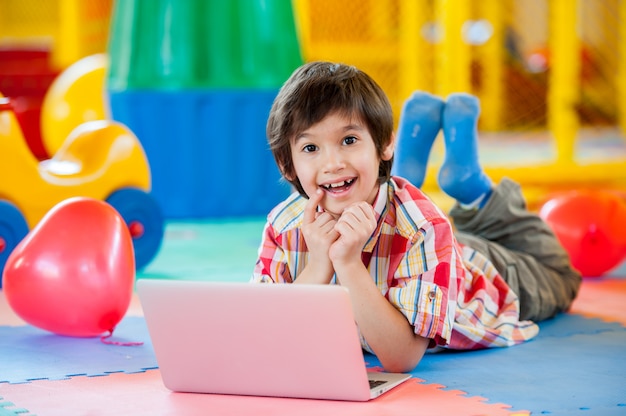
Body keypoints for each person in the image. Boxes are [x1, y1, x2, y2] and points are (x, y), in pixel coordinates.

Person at [251, 61, 581, 373]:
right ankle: (406, 177)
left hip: (483, 275)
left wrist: (348, 264)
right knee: (421, 219)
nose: (332, 162)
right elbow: (269, 331)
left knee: (559, 274)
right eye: (311, 148)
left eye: (349, 140)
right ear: (285, 163)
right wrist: (319, 266)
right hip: (425, 252)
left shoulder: (423, 227)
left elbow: (402, 357)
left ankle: (474, 188)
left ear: (383, 144)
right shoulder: (284, 224)